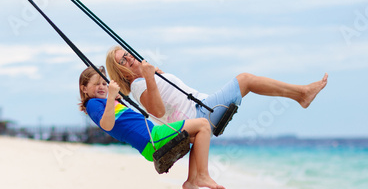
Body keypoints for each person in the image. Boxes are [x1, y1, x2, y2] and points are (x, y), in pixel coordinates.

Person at [79, 65, 226, 189]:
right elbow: (107, 125)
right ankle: (201, 175)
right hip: (152, 139)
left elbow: (122, 121)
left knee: (199, 137)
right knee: (203, 124)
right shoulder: (92, 103)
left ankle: (192, 182)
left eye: (104, 83)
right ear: (84, 88)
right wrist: (111, 97)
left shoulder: (106, 103)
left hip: (152, 138)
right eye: (96, 84)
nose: (102, 87)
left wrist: (152, 77)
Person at [105, 46, 329, 130]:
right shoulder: (138, 86)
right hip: (199, 115)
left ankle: (301, 94)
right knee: (245, 80)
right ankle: (302, 94)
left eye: (127, 55)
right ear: (119, 71)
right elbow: (158, 112)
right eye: (122, 61)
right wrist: (150, 78)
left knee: (246, 80)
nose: (129, 60)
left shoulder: (145, 78)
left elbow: (169, 92)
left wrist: (155, 75)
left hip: (202, 107)